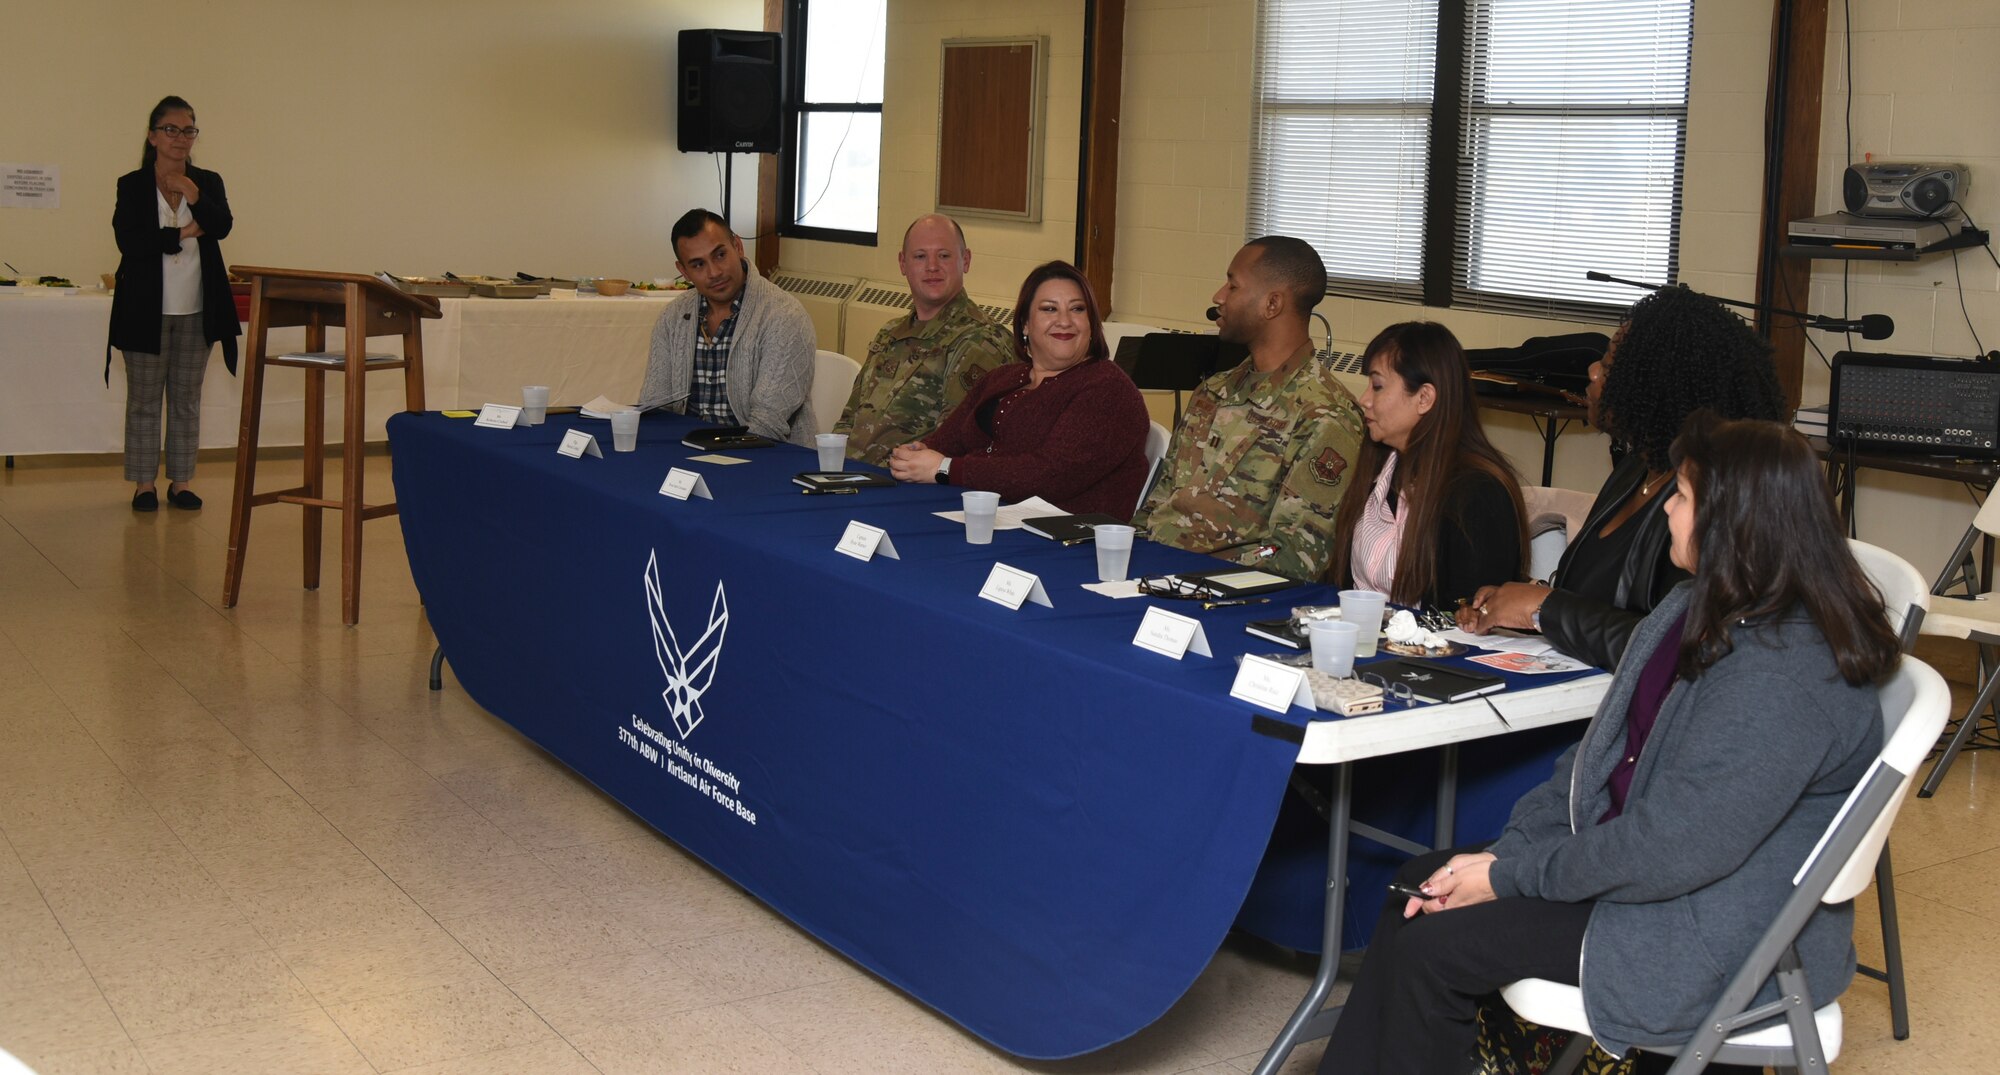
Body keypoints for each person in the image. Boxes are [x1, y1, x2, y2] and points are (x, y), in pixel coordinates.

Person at [1316, 413, 1900, 1075]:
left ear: (1734, 523)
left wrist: (1509, 875)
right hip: (1643, 875)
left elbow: (1672, 847)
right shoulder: (1694, 604)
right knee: (1417, 883)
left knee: (1435, 945)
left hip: (1703, 922)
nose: (1669, 511)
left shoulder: (1782, 672)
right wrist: (1512, 853)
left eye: (1681, 498)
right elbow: (1590, 762)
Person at [1458, 286, 1786, 669]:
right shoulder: (1635, 470)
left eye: (1611, 367)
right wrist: (1515, 604)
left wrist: (1543, 609)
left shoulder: (1704, 502)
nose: (1593, 371)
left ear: (1659, 389)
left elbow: (1674, 644)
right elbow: (1588, 603)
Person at [1134, 237, 1364, 581]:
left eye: (1233, 285)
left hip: (1222, 590)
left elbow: (1294, 553)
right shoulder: (1213, 391)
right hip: (1150, 573)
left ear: (1271, 304)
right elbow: (1157, 504)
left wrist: (1197, 577)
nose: (1219, 297)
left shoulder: (1325, 415)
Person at [886, 261, 1149, 517]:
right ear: (1025, 324)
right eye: (1049, 309)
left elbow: (1051, 475)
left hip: (1064, 535)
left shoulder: (1108, 389)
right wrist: (915, 455)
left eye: (1077, 309)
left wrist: (946, 468)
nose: (1065, 321)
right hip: (984, 514)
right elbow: (948, 441)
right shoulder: (1004, 377)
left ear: (1091, 323)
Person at [1327, 322, 1524, 608]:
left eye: (1378, 386)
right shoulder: (1379, 463)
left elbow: (1466, 618)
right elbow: (1342, 586)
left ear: (1424, 398)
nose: (1364, 400)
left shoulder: (1479, 494)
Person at [107, 95, 240, 512]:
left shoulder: (207, 181)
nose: (180, 139)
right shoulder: (132, 184)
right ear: (152, 136)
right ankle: (144, 484)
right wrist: (180, 235)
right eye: (171, 130)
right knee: (145, 400)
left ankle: (180, 482)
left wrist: (193, 194)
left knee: (186, 398)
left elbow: (221, 227)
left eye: (188, 130)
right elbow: (130, 242)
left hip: (198, 307)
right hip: (145, 308)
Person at [835, 214, 1012, 466]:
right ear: (903, 263)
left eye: (944, 255)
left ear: (966, 260)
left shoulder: (980, 340)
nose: (932, 266)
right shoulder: (890, 333)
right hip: (854, 477)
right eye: (920, 256)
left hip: (908, 485)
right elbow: (849, 419)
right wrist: (831, 467)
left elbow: (953, 444)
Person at [638, 209, 815, 445]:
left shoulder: (783, 315)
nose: (714, 272)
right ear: (684, 272)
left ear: (738, 246)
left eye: (720, 255)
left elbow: (766, 425)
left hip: (763, 456)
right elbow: (655, 406)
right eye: (698, 265)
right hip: (686, 453)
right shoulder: (673, 317)